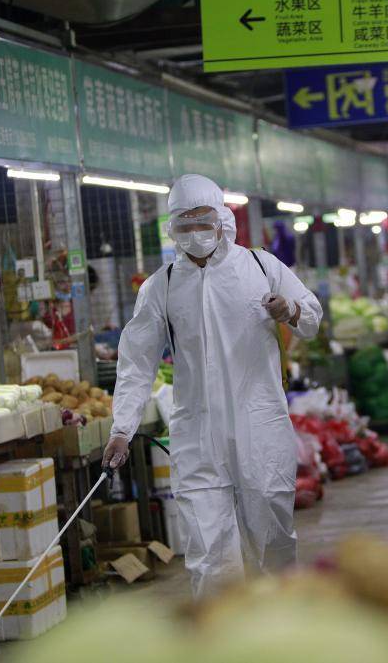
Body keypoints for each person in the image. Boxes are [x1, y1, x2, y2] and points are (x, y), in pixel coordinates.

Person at [102, 174, 323, 598]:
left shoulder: (261, 267)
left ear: (223, 219)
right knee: (208, 549)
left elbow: (312, 316)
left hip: (258, 425)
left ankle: (281, 625)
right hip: (198, 434)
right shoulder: (162, 286)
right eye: (184, 225)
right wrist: (121, 429)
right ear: (172, 229)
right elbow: (136, 362)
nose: (195, 233)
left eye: (202, 222)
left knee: (272, 537)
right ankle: (223, 636)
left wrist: (290, 309)